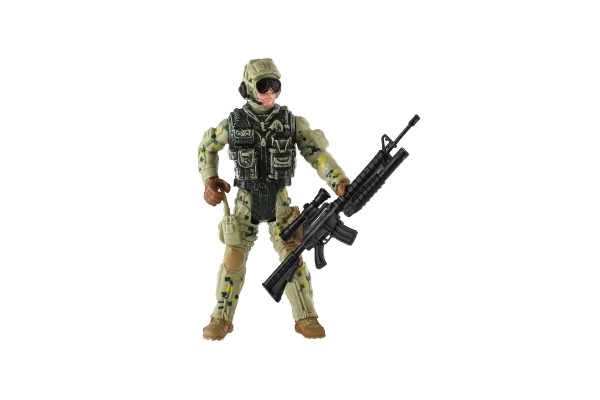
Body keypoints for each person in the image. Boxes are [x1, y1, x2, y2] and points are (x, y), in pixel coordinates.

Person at [197, 58, 350, 340]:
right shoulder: (233, 123)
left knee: (292, 258)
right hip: (246, 202)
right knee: (233, 258)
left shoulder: (291, 122)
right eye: (263, 85)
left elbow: (317, 155)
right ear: (248, 88)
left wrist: (338, 180)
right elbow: (207, 147)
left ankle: (306, 317)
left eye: (275, 85)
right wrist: (210, 179)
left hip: (280, 203)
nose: (269, 92)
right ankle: (220, 318)